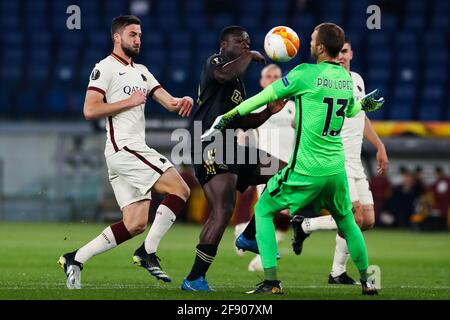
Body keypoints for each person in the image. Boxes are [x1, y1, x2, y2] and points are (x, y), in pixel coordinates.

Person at [201, 23, 385, 295]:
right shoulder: (346, 79)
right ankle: (368, 282)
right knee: (348, 222)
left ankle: (271, 282)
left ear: (321, 47)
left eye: (312, 39)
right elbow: (350, 110)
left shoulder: (304, 74)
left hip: (306, 169)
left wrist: (229, 116)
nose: (308, 42)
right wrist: (364, 105)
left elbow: (264, 96)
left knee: (263, 209)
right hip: (336, 170)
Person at [58, 15, 193, 289]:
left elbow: (168, 102)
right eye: (132, 34)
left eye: (140, 35)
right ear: (117, 37)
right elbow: (90, 109)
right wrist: (127, 101)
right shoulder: (104, 68)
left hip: (127, 153)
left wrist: (182, 101)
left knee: (135, 223)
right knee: (181, 189)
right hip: (125, 148)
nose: (138, 40)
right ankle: (148, 252)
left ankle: (75, 258)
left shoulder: (142, 71)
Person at [181, 26, 286, 291]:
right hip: (207, 140)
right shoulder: (215, 63)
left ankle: (249, 235)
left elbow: (242, 120)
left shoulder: (237, 83)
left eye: (248, 42)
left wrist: (268, 113)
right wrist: (250, 55)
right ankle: (194, 278)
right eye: (239, 41)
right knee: (223, 210)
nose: (245, 44)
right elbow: (224, 74)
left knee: (285, 173)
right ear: (223, 43)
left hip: (230, 143)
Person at [288, 37, 389, 285]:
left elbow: (361, 117)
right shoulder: (324, 82)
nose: (342, 55)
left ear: (352, 54)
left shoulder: (356, 80)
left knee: (368, 221)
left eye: (346, 51)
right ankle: (339, 271)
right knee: (354, 219)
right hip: (336, 158)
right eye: (339, 51)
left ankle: (308, 231)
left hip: (356, 161)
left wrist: (379, 145)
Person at [234, 64, 295, 272]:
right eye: (268, 76)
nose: (272, 79)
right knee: (281, 211)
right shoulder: (257, 104)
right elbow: (242, 131)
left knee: (285, 214)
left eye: (276, 76)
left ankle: (246, 232)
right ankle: (258, 249)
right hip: (266, 165)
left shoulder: (292, 106)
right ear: (261, 82)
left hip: (290, 165)